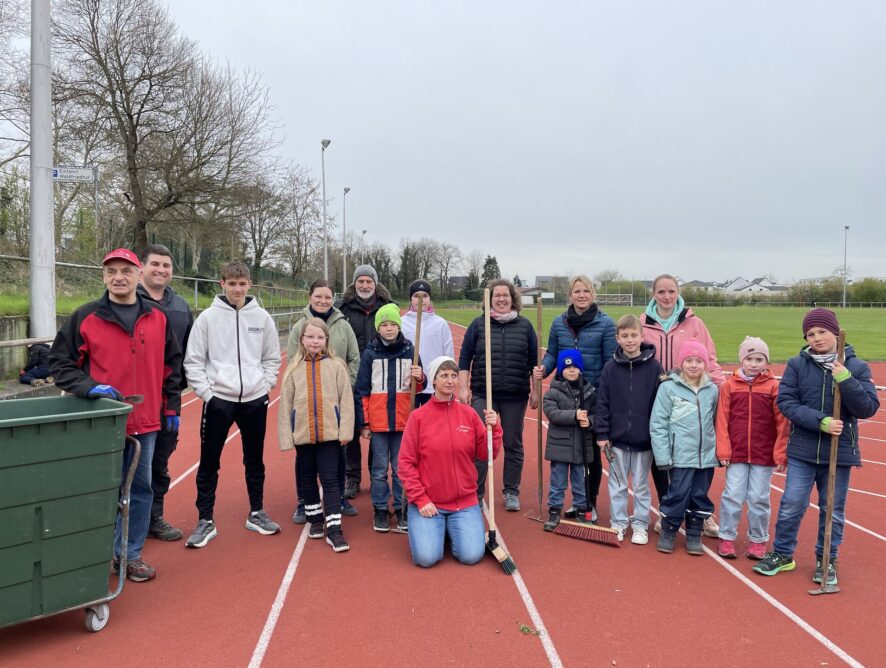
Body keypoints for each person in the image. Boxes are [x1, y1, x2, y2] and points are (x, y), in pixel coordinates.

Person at [49, 248, 182, 582]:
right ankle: (91, 554)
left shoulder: (158, 316)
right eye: (111, 272)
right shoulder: (85, 316)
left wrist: (170, 408)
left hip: (147, 423)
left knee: (139, 490)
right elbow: (60, 364)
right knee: (99, 488)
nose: (118, 277)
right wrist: (90, 387)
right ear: (104, 276)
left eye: (126, 270)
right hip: (102, 421)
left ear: (138, 275)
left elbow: (172, 367)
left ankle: (129, 555)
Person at [754, 309, 879, 586]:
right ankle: (783, 553)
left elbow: (867, 408)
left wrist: (846, 380)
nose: (817, 338)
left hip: (840, 452)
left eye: (822, 331)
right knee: (791, 504)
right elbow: (786, 403)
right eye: (810, 334)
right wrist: (820, 421)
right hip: (803, 450)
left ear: (835, 332)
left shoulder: (856, 367)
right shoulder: (797, 365)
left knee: (832, 507)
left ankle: (827, 559)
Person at [183, 260, 282, 548]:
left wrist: (264, 387)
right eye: (232, 283)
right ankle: (205, 520)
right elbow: (194, 361)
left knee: (254, 459)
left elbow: (271, 358)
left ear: (249, 285)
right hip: (218, 401)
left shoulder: (262, 318)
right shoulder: (207, 319)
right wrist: (208, 394)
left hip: (254, 399)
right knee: (209, 460)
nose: (237, 289)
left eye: (242, 284)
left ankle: (257, 512)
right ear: (222, 284)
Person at [398, 356, 502, 568]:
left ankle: (449, 531)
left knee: (471, 556)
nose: (450, 380)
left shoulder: (469, 414)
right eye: (444, 375)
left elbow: (486, 454)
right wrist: (420, 499)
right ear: (434, 380)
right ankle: (437, 530)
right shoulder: (418, 417)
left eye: (454, 376)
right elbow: (405, 463)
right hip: (429, 503)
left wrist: (495, 429)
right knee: (426, 559)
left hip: (463, 503)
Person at [642, 273, 724, 538]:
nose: (666, 297)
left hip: (689, 393)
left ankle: (700, 514)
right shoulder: (643, 323)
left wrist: (723, 390)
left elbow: (709, 359)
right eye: (661, 292)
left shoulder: (695, 323)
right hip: (653, 395)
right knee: (661, 453)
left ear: (678, 293)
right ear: (653, 294)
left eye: (671, 292)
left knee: (696, 457)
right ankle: (669, 510)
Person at [534, 274, 616, 520]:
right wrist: (544, 369)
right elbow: (552, 354)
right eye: (577, 291)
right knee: (565, 450)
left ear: (593, 295)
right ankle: (560, 502)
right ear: (570, 295)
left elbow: (610, 361)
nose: (582, 295)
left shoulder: (606, 324)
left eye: (586, 291)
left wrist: (604, 394)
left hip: (592, 394)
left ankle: (588, 503)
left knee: (588, 452)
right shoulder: (560, 323)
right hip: (564, 392)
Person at [458, 279, 537, 512]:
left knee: (513, 442)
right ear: (489, 300)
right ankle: (476, 492)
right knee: (481, 442)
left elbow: (535, 362)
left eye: (506, 295)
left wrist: (536, 392)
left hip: (515, 394)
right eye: (496, 296)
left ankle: (511, 491)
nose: (501, 299)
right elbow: (464, 358)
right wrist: (463, 387)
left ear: (513, 298)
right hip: (484, 392)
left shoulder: (525, 326)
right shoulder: (478, 325)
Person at [286, 279, 361, 523]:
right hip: (308, 401)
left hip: (335, 400)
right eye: (318, 296)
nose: (323, 301)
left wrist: (341, 386)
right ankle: (303, 502)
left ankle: (338, 497)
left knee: (338, 453)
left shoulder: (343, 325)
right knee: (304, 458)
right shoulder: (300, 326)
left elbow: (354, 358)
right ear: (310, 297)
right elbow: (292, 362)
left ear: (333, 298)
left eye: (328, 297)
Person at [278, 318, 354, 552]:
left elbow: (346, 401)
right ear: (302, 339)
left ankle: (335, 529)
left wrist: (345, 430)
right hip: (303, 434)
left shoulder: (336, 366)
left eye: (320, 337)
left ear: (326, 340)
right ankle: (315, 520)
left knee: (330, 480)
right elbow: (285, 405)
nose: (315, 341)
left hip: (330, 434)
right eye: (310, 337)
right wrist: (286, 437)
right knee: (307, 478)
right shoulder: (293, 368)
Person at [137, 243, 194, 542]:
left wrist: (180, 390)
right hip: (134, 397)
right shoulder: (127, 300)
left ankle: (153, 517)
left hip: (169, 397)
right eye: (155, 264)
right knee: (132, 461)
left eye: (166, 266)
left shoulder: (181, 306)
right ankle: (126, 520)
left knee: (161, 459)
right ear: (142, 268)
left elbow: (189, 351)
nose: (160, 270)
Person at [715, 336, 789, 560]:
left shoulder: (774, 387)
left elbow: (782, 423)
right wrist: (724, 451)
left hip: (763, 454)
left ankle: (758, 540)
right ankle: (727, 537)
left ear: (766, 362)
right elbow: (722, 420)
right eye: (749, 358)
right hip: (736, 453)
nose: (754, 363)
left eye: (759, 359)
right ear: (742, 360)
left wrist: (780, 453)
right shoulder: (729, 386)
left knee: (759, 497)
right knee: (733, 495)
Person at [355, 303, 425, 533]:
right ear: (378, 328)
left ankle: (402, 507)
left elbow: (421, 386)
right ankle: (380, 509)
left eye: (393, 324)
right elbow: (362, 391)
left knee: (400, 468)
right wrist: (364, 423)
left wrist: (420, 376)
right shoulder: (370, 354)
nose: (388, 328)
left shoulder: (410, 351)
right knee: (378, 470)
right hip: (379, 424)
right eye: (384, 324)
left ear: (399, 326)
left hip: (404, 423)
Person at [595, 314, 663, 544]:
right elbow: (602, 402)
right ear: (617, 338)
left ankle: (641, 525)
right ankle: (619, 523)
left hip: (645, 441)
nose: (630, 340)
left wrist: (656, 435)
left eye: (634, 335)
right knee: (618, 484)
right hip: (617, 440)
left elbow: (659, 404)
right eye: (625, 336)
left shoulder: (654, 368)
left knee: (642, 486)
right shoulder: (610, 368)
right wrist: (602, 433)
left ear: (642, 336)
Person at [650, 340, 718, 556]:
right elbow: (658, 423)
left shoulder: (712, 389)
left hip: (705, 456)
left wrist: (719, 451)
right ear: (681, 363)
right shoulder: (668, 387)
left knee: (700, 494)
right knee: (677, 494)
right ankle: (669, 530)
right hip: (679, 455)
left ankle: (695, 532)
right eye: (689, 360)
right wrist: (662, 455)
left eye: (699, 361)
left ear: (705, 364)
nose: (694, 365)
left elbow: (717, 422)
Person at [336, 264, 394, 500]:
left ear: (375, 283)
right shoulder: (343, 308)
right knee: (351, 429)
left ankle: (375, 474)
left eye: (369, 281)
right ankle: (353, 477)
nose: (364, 285)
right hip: (352, 377)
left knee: (376, 429)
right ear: (354, 283)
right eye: (360, 281)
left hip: (379, 378)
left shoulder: (387, 308)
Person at [542, 350, 596, 532]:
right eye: (567, 367)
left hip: (581, 445)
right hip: (560, 446)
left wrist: (590, 421)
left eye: (575, 367)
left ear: (580, 369)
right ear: (560, 370)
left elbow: (599, 415)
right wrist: (574, 415)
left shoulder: (589, 392)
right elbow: (552, 413)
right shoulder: (553, 392)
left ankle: (582, 510)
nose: (571, 370)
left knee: (580, 480)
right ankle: (554, 510)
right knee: (558, 481)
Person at [401, 279, 454, 408]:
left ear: (430, 298)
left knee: (433, 424)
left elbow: (448, 354)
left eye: (425, 296)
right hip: (409, 383)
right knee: (410, 422)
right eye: (416, 296)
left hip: (433, 384)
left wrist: (447, 377)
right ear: (410, 299)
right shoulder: (402, 323)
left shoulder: (440, 323)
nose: (421, 300)